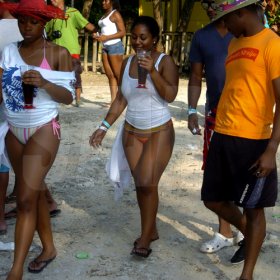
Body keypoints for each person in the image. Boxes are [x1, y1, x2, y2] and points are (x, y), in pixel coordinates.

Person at [202, 0, 280, 279]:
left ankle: (246, 274)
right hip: (223, 133)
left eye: (226, 21)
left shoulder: (272, 43)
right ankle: (251, 234)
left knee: (254, 209)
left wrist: (271, 149)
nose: (224, 27)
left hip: (253, 140)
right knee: (212, 199)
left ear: (241, 14)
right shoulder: (235, 45)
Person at [89, 16, 179, 258]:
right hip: (131, 132)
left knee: (148, 183)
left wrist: (153, 71)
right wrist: (103, 126)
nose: (138, 42)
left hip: (159, 131)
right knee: (142, 186)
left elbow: (170, 95)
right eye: (134, 37)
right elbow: (121, 99)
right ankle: (151, 229)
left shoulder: (164, 61)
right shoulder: (127, 62)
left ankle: (145, 237)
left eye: (143, 37)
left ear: (154, 40)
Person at [0, 0, 75, 278]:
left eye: (33, 21)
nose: (27, 26)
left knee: (24, 199)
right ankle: (49, 248)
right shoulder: (9, 51)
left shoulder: (57, 53)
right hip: (14, 130)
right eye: (22, 21)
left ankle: (15, 270)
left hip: (43, 127)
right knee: (34, 190)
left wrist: (43, 82)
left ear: (44, 23)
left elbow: (68, 98)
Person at [187, 0, 244, 258]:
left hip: (246, 116)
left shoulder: (244, 31)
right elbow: (197, 77)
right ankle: (226, 232)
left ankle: (245, 228)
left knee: (242, 177)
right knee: (216, 175)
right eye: (207, 3)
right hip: (215, 116)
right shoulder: (202, 36)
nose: (212, 7)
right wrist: (191, 111)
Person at [46, 0, 97, 107]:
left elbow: (86, 24)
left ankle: (78, 99)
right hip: (55, 51)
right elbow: (46, 33)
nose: (52, 0)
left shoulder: (73, 12)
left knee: (75, 75)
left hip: (71, 51)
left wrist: (95, 32)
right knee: (57, 76)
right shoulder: (49, 14)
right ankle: (60, 98)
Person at [0, 0, 23, 236]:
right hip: (15, 103)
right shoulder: (25, 24)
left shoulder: (5, 26)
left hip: (9, 102)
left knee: (5, 160)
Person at [93, 0, 126, 103]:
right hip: (105, 46)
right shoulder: (104, 15)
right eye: (102, 0)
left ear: (112, 2)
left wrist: (106, 37)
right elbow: (105, 30)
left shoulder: (115, 14)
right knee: (110, 75)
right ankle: (113, 101)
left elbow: (123, 32)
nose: (103, 2)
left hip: (115, 46)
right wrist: (97, 35)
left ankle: (123, 99)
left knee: (118, 75)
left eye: (106, 0)